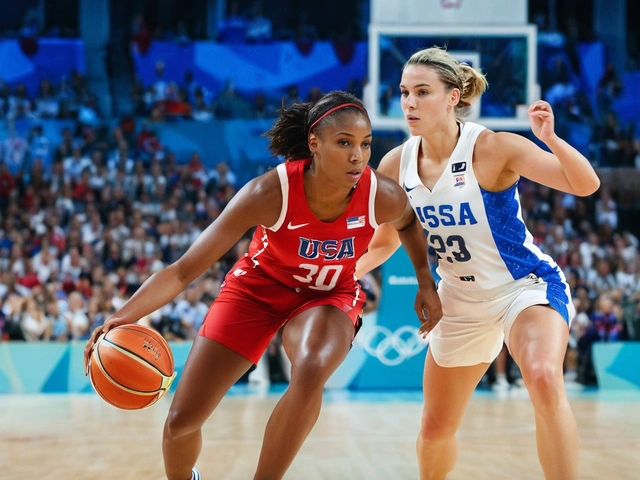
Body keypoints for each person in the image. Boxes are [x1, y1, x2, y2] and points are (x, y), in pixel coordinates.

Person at [84, 90, 442, 480]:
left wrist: (426, 282)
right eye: (344, 143)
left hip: (329, 294)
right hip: (256, 290)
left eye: (365, 144)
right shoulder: (268, 193)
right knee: (181, 423)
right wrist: (120, 317)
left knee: (312, 367)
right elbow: (183, 271)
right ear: (314, 144)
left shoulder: (380, 194)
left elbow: (408, 222)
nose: (358, 156)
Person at [355, 47, 600, 480]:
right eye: (405, 92)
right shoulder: (396, 162)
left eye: (422, 92)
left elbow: (585, 184)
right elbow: (384, 242)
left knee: (543, 376)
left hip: (523, 287)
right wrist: (334, 275)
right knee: (434, 431)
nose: (409, 102)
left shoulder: (492, 147)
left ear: (453, 97)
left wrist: (552, 141)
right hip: (459, 299)